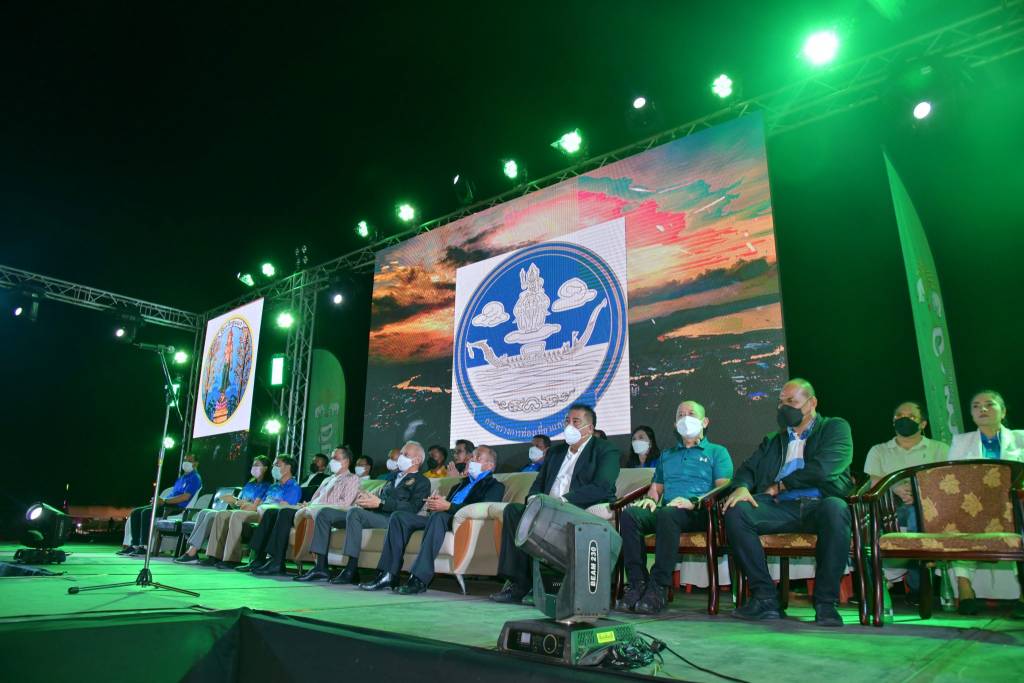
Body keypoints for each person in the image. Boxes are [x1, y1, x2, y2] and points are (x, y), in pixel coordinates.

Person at [723, 378, 854, 627]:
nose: (784, 408)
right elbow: (748, 469)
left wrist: (783, 484)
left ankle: (826, 603)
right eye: (781, 403)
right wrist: (741, 487)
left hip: (820, 503)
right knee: (737, 511)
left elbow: (826, 468)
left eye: (791, 402)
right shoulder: (774, 440)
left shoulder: (834, 428)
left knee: (836, 509)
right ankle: (765, 598)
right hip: (781, 507)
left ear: (812, 403)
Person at [490, 404, 621, 604]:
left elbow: (602, 487)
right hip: (546, 508)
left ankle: (548, 588)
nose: (569, 426)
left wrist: (564, 500)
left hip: (576, 507)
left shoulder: (605, 450)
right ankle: (518, 584)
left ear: (589, 428)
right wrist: (533, 499)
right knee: (513, 511)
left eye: (575, 422)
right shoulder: (556, 452)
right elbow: (539, 484)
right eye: (567, 421)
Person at [619, 401, 733, 613]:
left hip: (700, 512)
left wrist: (694, 502)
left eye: (691, 414)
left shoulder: (717, 452)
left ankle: (658, 586)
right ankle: (637, 583)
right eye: (681, 415)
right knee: (631, 515)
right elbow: (656, 488)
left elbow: (723, 487)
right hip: (668, 511)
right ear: (675, 424)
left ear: (705, 422)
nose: (685, 418)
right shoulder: (667, 455)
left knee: (668, 514)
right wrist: (651, 500)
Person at [365, 445, 506, 593]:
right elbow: (443, 507)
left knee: (439, 517)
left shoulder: (495, 486)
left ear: (490, 466)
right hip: (441, 518)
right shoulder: (460, 485)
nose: (472, 460)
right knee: (399, 517)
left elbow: (482, 509)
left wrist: (448, 506)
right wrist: (434, 504)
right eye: (472, 457)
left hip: (462, 523)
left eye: (478, 457)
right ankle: (388, 574)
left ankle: (419, 579)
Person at [294, 441, 431, 585]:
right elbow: (378, 498)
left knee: (355, 513)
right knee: (324, 513)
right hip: (375, 515)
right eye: (401, 454)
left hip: (392, 520)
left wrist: (382, 503)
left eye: (405, 454)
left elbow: (412, 508)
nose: (400, 457)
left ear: (417, 460)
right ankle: (320, 567)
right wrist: (367, 499)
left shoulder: (422, 481)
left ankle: (351, 569)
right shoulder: (393, 478)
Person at [946, 390, 1024, 617]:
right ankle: (965, 589)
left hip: (1015, 502)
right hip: (974, 504)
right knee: (955, 516)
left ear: (1003, 411)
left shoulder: (1021, 438)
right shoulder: (961, 441)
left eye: (989, 404)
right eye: (976, 406)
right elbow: (951, 479)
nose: (982, 409)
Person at [863, 401, 948, 602]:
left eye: (910, 416)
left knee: (916, 512)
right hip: (890, 509)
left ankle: (917, 584)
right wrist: (895, 487)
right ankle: (914, 581)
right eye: (899, 416)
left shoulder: (939, 449)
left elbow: (948, 482)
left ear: (923, 423)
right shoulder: (879, 450)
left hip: (930, 510)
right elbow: (874, 482)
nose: (904, 419)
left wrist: (919, 492)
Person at [242, 447, 362, 575]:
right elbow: (315, 499)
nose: (332, 461)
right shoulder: (327, 479)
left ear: (346, 461)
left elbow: (345, 503)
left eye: (335, 458)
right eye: (332, 458)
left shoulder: (352, 478)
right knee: (271, 512)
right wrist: (307, 504)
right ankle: (259, 558)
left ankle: (277, 562)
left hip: (323, 512)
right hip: (310, 508)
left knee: (285, 512)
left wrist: (316, 506)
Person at [204, 455, 302, 568]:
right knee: (222, 514)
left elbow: (284, 509)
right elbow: (260, 503)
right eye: (274, 464)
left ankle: (231, 558)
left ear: (288, 467)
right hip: (259, 512)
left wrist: (254, 506)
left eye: (277, 464)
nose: (274, 467)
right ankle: (213, 556)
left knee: (237, 515)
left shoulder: (293, 487)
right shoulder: (273, 486)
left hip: (269, 516)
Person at [174, 455, 272, 563]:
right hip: (238, 510)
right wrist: (233, 501)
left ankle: (198, 553)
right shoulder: (249, 484)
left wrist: (238, 502)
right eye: (253, 465)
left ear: (265, 468)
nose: (254, 467)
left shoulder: (266, 486)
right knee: (204, 512)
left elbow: (253, 507)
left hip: (248, 515)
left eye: (257, 465)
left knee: (212, 515)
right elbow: (239, 504)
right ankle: (192, 549)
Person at [118, 453, 202, 555]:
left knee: (146, 513)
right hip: (167, 504)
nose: (186, 463)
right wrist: (159, 501)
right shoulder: (182, 478)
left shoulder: (195, 478)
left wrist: (164, 501)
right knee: (135, 512)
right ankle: (134, 545)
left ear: (196, 463)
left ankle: (145, 546)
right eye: (185, 460)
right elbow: (172, 494)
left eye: (189, 460)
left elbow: (185, 497)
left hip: (177, 507)